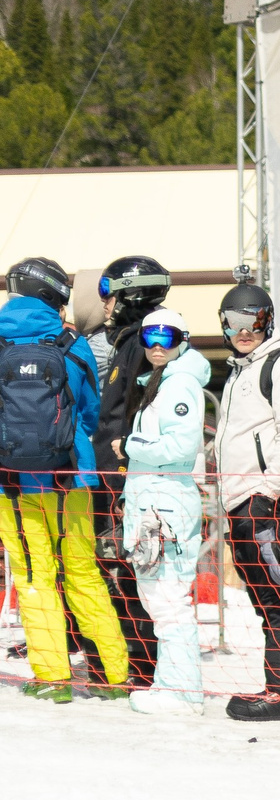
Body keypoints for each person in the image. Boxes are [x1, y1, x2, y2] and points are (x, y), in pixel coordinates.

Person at [1, 256, 130, 702]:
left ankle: (53, 676)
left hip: (12, 484)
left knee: (35, 576)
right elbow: (92, 412)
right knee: (81, 572)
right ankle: (114, 676)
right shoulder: (71, 345)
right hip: (71, 479)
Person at [210, 279, 280, 719]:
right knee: (265, 595)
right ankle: (278, 686)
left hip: (273, 501)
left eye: (252, 320)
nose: (242, 330)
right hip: (246, 500)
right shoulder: (243, 370)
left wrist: (269, 489)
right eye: (231, 322)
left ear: (268, 320)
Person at [115, 308, 210, 716]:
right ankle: (171, 684)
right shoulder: (162, 381)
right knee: (160, 597)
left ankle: (182, 691)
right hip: (153, 500)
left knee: (169, 597)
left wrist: (131, 445)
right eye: (149, 335)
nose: (156, 345)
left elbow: (179, 449)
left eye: (166, 336)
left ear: (182, 339)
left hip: (164, 504)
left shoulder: (180, 385)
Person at [89, 254, 174, 690]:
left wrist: (127, 471)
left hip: (129, 479)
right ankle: (123, 662)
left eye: (108, 292)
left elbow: (140, 415)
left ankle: (140, 667)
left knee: (134, 572)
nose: (103, 302)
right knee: (115, 568)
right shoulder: (128, 340)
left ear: (130, 294)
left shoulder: (148, 343)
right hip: (113, 475)